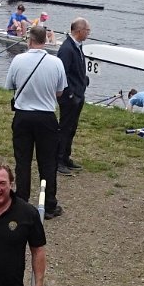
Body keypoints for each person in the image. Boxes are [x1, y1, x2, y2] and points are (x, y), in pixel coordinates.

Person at [6, 24, 67, 218]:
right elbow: (60, 92)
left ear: (29, 40)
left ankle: (22, 200)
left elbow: (10, 85)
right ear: (45, 40)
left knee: (22, 160)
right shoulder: (56, 63)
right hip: (47, 117)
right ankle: (49, 204)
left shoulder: (18, 60)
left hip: (23, 115)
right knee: (48, 162)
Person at [56, 16, 91, 175]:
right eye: (87, 30)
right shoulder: (67, 49)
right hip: (70, 96)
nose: (88, 33)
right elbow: (62, 73)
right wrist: (69, 94)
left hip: (79, 93)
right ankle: (58, 159)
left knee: (72, 128)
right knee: (64, 127)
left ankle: (66, 157)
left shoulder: (78, 46)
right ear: (79, 31)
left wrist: (84, 81)